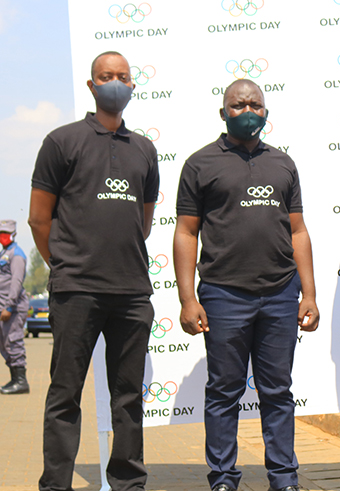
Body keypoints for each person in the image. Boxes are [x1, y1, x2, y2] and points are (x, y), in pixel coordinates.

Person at [174, 79, 319, 491]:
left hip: (279, 293)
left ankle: (284, 479)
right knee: (224, 392)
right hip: (223, 294)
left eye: (255, 103)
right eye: (238, 105)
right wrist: (188, 298)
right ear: (223, 113)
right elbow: (186, 233)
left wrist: (308, 293)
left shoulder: (283, 163)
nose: (247, 110)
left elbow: (298, 231)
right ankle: (222, 479)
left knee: (278, 391)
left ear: (267, 112)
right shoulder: (200, 164)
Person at [29, 51, 159, 490]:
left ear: (132, 86)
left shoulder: (144, 148)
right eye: (106, 76)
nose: (115, 83)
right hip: (76, 291)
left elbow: (144, 218)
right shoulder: (61, 141)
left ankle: (128, 484)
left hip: (131, 293)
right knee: (65, 395)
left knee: (128, 398)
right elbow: (38, 219)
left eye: (123, 77)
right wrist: (67, 263)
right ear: (91, 85)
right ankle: (56, 485)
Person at [0, 219, 29, 395]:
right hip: (4, 307)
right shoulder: (5, 253)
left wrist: (9, 307)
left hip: (13, 308)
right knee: (4, 344)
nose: (2, 237)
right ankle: (14, 379)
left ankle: (21, 381)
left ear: (13, 234)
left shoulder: (16, 254)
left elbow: (16, 282)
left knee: (14, 341)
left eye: (5, 233)